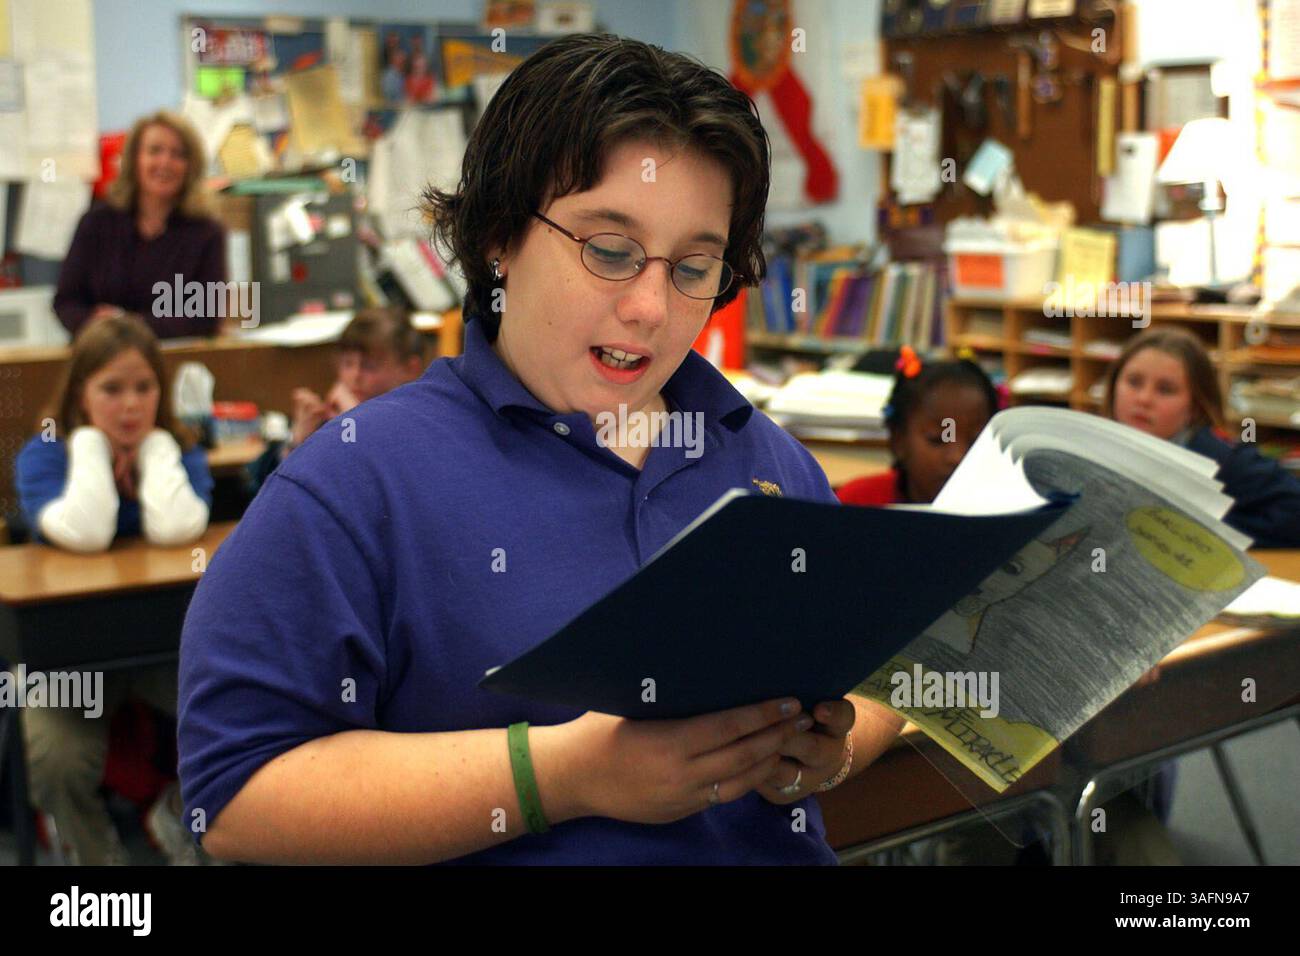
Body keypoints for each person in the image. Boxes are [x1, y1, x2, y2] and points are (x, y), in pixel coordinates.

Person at [178, 33, 904, 866]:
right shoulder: (354, 481)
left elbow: (877, 678)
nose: (649, 307)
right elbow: (233, 796)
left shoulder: (766, 459)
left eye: (694, 267)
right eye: (609, 251)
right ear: (499, 235)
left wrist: (827, 753)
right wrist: (560, 776)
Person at [14, 313, 213, 864]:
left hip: (163, 647)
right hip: (68, 655)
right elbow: (86, 533)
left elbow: (178, 528)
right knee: (55, 757)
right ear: (80, 392)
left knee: (244, 710)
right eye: (111, 389)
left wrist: (155, 452)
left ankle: (179, 815)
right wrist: (88, 449)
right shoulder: (46, 453)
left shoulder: (177, 450)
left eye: (145, 387)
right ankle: (95, 864)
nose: (131, 406)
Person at [1104, 326, 1300, 548]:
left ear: (1195, 406)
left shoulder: (1223, 458)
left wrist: (1201, 530)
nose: (1144, 399)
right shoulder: (1100, 443)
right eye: (1134, 382)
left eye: (1166, 390)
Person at [54, 110, 226, 340]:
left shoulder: (206, 233)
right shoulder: (96, 223)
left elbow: (206, 317)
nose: (165, 162)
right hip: (101, 353)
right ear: (134, 159)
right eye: (154, 151)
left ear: (191, 166)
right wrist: (97, 325)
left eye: (178, 154)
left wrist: (126, 325)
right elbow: (66, 302)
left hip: (175, 356)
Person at [246, 307, 427, 493]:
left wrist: (355, 422)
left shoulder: (419, 424)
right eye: (348, 364)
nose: (355, 376)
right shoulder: (330, 420)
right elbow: (266, 490)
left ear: (410, 369)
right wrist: (297, 444)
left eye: (369, 366)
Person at [837, 347, 1000, 506]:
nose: (957, 457)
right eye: (938, 439)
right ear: (899, 441)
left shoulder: (1003, 507)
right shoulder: (858, 503)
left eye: (976, 442)